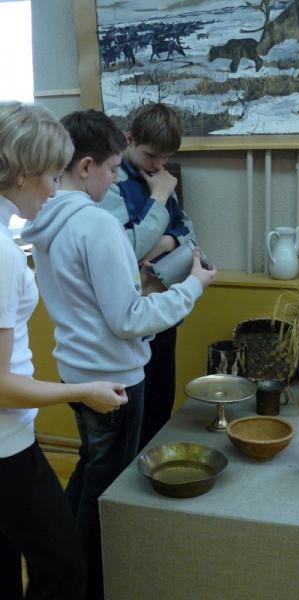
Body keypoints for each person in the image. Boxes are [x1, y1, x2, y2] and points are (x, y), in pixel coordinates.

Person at [22, 109, 216, 600]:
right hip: (113, 380)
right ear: (86, 166)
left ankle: (65, 572)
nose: (115, 180)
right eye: (111, 168)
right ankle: (87, 583)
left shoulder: (45, 218)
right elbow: (129, 318)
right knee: (107, 489)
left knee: (91, 467)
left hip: (76, 370)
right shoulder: (96, 224)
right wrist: (193, 286)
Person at [0, 101, 127, 600]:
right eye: (53, 177)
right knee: (64, 566)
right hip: (6, 443)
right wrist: (83, 391)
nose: (54, 191)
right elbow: (1, 386)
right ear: (22, 173)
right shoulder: (4, 256)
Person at [99, 102, 196, 449]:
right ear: (129, 139)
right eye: (152, 155)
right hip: (132, 315)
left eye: (165, 157)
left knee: (160, 406)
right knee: (132, 424)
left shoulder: (160, 176)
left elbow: (189, 232)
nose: (158, 165)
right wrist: (160, 197)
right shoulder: (111, 183)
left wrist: (165, 242)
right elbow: (126, 250)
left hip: (164, 304)